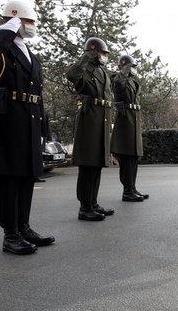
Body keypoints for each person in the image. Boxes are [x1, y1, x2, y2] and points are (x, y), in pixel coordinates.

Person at [0, 0, 55, 255]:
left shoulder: (30, 53)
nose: (32, 26)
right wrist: (5, 32)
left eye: (32, 22)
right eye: (27, 21)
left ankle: (23, 226)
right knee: (8, 177)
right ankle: (10, 234)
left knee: (26, 176)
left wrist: (44, 129)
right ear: (14, 20)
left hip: (29, 119)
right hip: (8, 119)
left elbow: (37, 93)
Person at [67, 37, 114, 222]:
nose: (104, 56)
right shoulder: (84, 69)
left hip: (101, 119)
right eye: (102, 53)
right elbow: (71, 75)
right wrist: (85, 57)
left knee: (96, 164)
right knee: (87, 165)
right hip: (89, 119)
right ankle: (84, 207)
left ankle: (93, 202)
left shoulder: (102, 72)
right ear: (93, 52)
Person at [111, 54, 148, 202]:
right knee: (126, 158)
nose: (134, 69)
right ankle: (127, 191)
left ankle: (132, 187)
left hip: (133, 121)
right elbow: (119, 87)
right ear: (125, 67)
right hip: (125, 122)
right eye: (131, 66)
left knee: (133, 158)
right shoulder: (119, 79)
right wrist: (124, 70)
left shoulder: (133, 82)